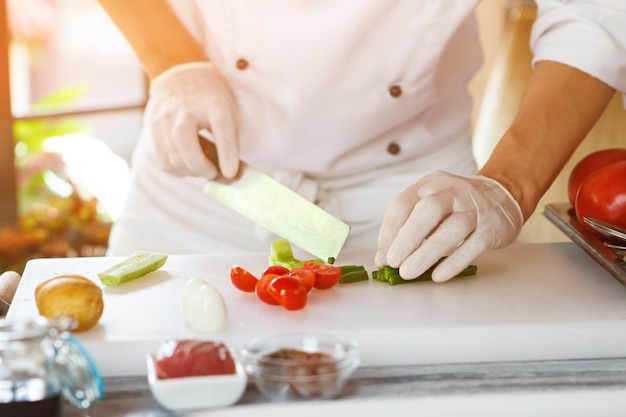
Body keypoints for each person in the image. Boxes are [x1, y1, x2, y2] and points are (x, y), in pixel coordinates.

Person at [97, 0, 625, 283]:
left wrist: (507, 183)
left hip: (417, 197)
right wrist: (173, 63)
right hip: (205, 169)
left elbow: (593, 12)